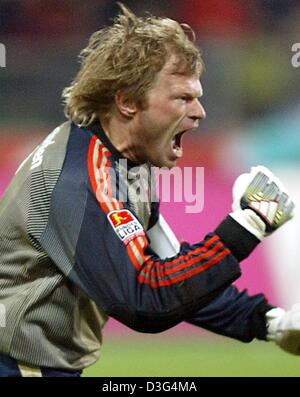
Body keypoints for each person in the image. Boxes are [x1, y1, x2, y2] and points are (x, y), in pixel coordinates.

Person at [0, 3, 298, 377]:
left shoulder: (120, 160)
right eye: (182, 98)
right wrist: (247, 225)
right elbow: (145, 301)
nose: (200, 112)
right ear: (126, 101)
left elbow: (171, 274)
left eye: (198, 96)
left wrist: (268, 321)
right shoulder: (78, 180)